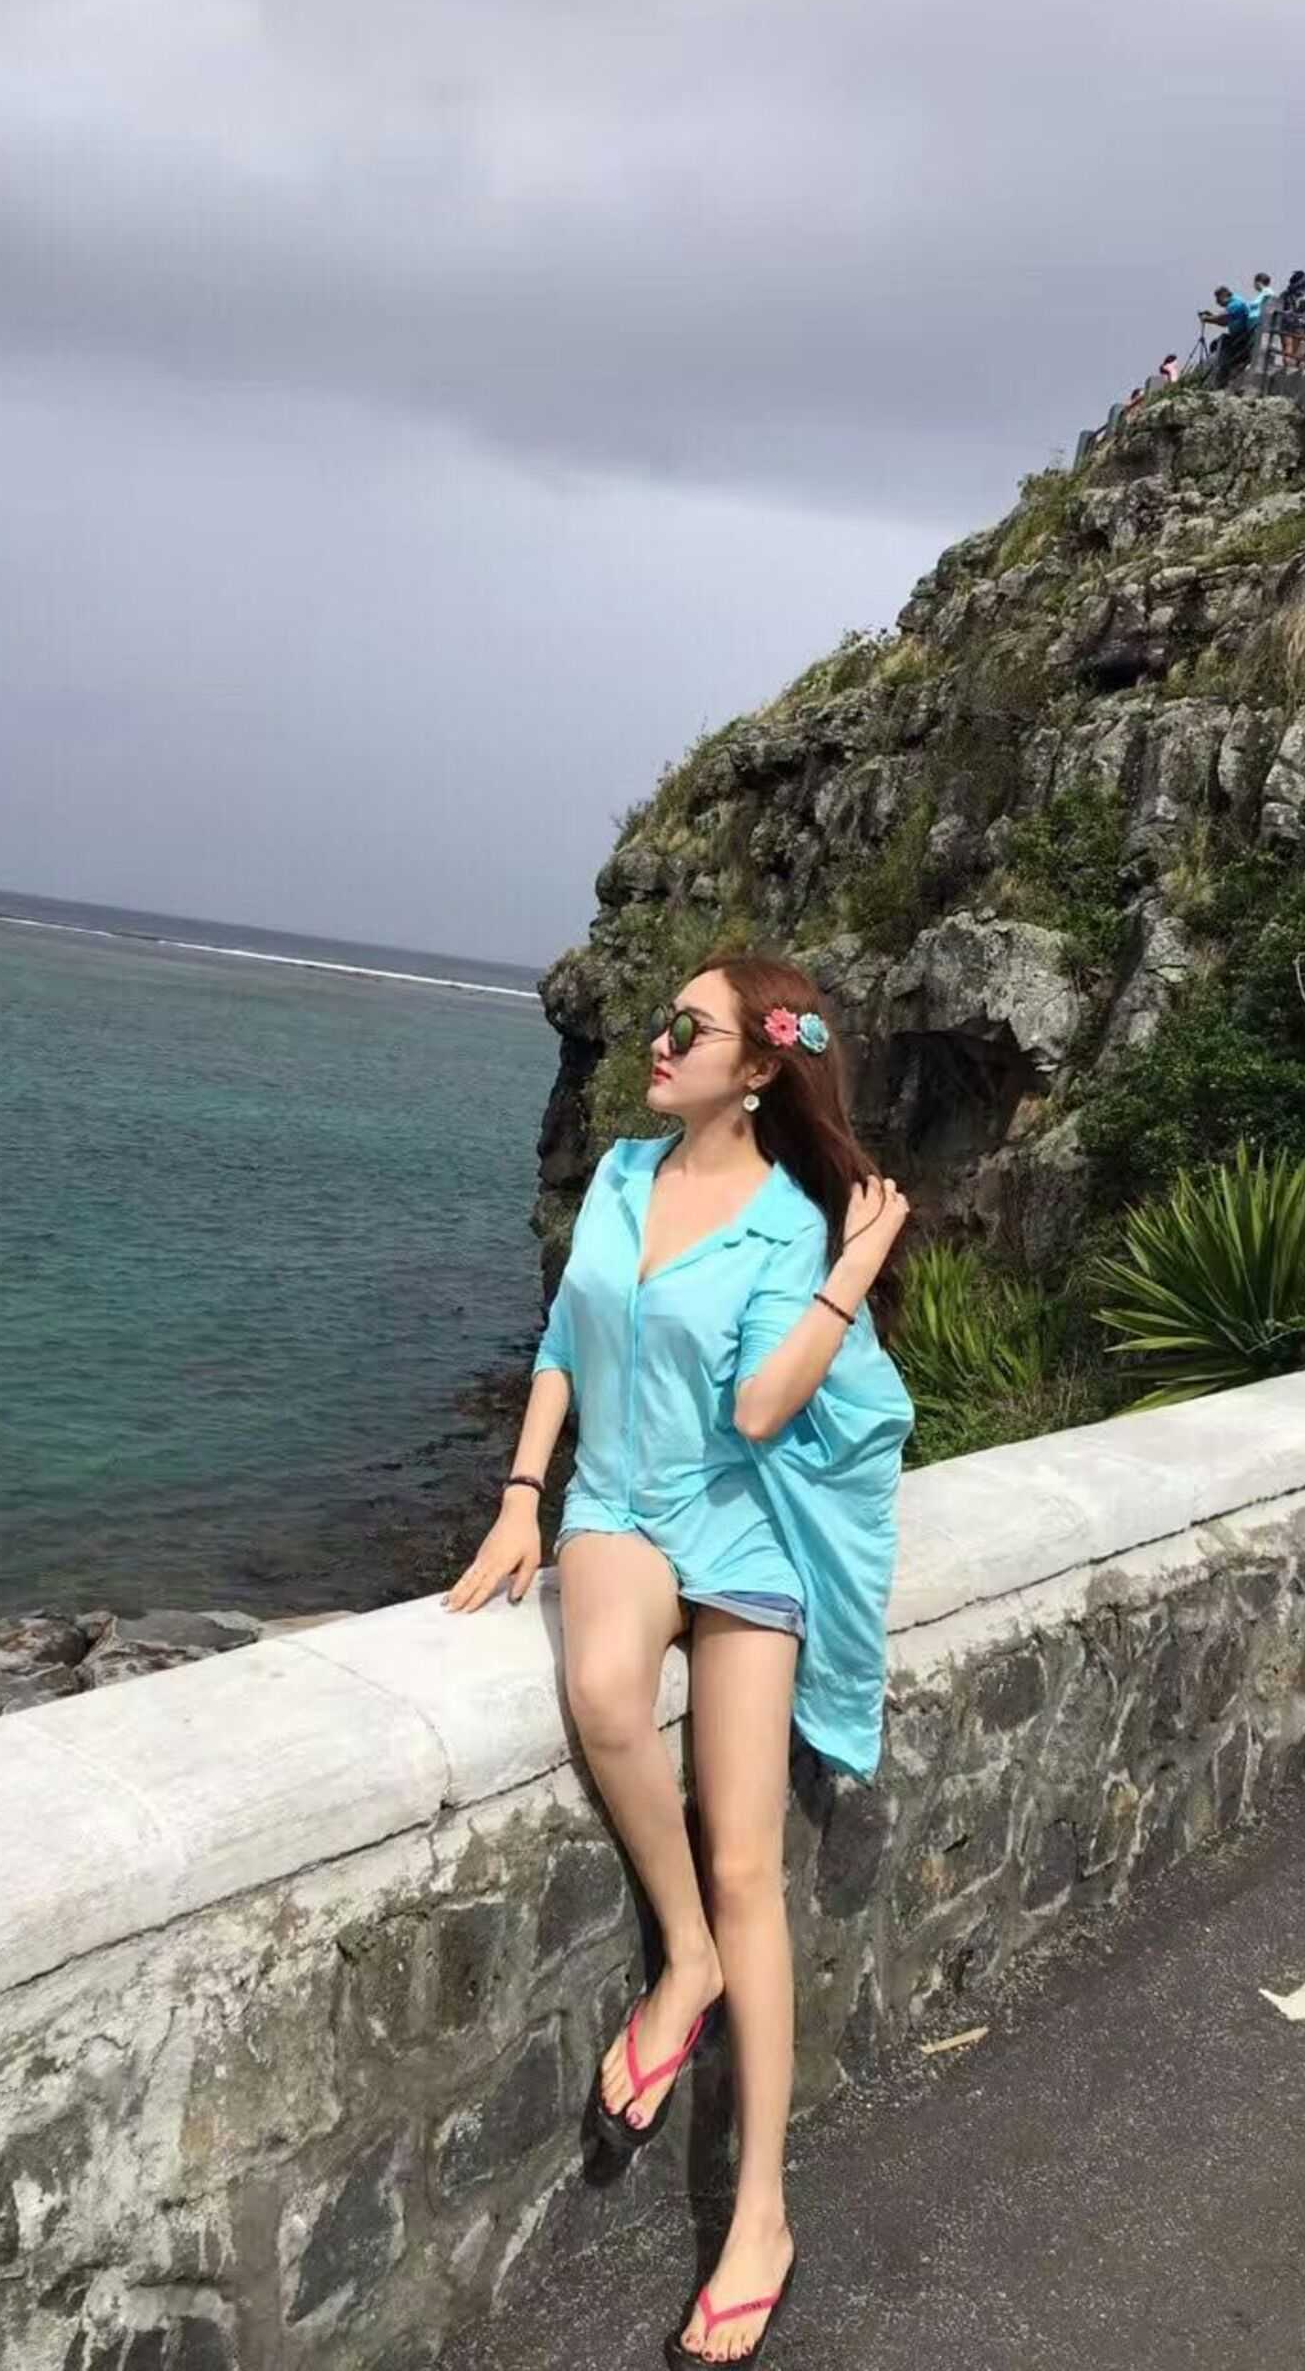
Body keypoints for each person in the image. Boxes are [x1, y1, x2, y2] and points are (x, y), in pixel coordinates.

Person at [445, 951, 913, 2368]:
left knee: (750, 1860)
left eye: (686, 1028)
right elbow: (564, 1342)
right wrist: (521, 1492)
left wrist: (851, 1268)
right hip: (620, 1507)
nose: (657, 1041)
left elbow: (765, 1411)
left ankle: (760, 2212)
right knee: (602, 1688)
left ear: (759, 1066)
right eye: (663, 1022)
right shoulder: (623, 1176)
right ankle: (685, 1959)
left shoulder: (786, 1222)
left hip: (740, 1519)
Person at [1200, 283, 1256, 386]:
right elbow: (1224, 323)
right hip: (1238, 335)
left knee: (1222, 345)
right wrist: (1211, 317)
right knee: (1215, 344)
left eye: (1218, 299)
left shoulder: (1236, 303)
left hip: (1242, 337)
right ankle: (1220, 375)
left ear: (1223, 295)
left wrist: (1207, 319)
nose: (1217, 303)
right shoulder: (1233, 303)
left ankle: (1221, 377)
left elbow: (1223, 318)